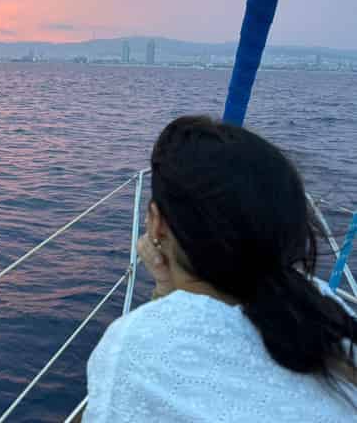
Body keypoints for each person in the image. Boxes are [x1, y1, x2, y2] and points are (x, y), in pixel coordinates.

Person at [83, 115, 357, 422]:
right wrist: (168, 289)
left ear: (156, 224)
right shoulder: (322, 305)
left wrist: (166, 295)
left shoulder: (134, 343)